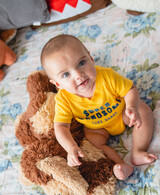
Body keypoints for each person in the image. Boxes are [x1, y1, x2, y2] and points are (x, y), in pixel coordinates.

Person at [40, 34, 157, 180]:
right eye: (65, 74)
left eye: (81, 63)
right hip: (96, 128)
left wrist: (131, 106)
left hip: (121, 113)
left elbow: (130, 89)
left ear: (91, 58)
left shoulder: (107, 76)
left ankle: (138, 151)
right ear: (57, 84)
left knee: (143, 110)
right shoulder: (64, 99)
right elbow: (61, 127)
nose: (78, 74)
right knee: (92, 143)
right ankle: (120, 165)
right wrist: (70, 148)